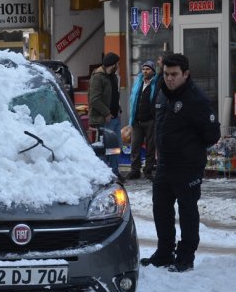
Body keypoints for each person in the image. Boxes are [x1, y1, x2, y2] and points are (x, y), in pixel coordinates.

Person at [141, 54, 221, 272]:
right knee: (161, 209)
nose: (169, 78)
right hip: (165, 164)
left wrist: (190, 148)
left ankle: (185, 257)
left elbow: (212, 133)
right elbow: (157, 122)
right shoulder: (162, 94)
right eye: (166, 74)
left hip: (187, 166)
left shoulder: (196, 99)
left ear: (185, 74)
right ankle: (164, 252)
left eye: (174, 74)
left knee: (187, 211)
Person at [88, 52, 125, 182]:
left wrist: (118, 110)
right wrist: (106, 113)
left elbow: (115, 95)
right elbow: (95, 99)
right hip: (104, 119)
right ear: (113, 65)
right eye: (117, 64)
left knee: (116, 147)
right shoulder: (98, 77)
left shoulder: (113, 77)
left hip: (115, 118)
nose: (118, 66)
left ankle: (115, 172)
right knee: (105, 148)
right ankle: (104, 174)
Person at [126, 60, 158, 180]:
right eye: (143, 69)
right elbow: (132, 100)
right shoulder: (138, 82)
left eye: (148, 69)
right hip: (137, 121)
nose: (145, 71)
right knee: (135, 147)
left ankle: (148, 171)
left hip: (150, 121)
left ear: (153, 71)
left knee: (150, 147)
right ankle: (135, 171)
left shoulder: (156, 84)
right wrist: (131, 119)